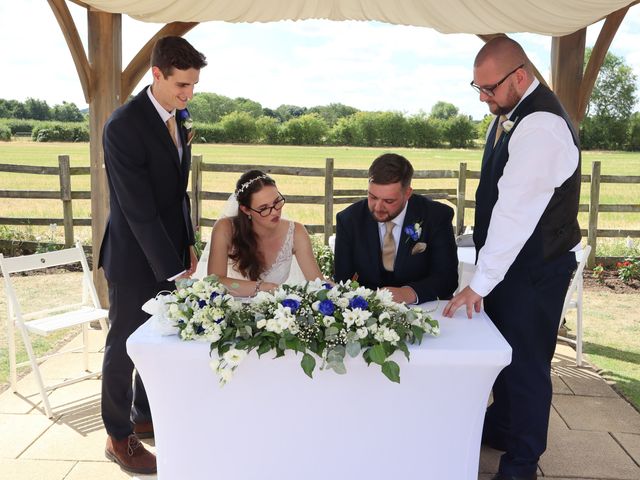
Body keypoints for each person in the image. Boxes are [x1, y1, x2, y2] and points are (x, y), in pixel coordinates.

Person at [443, 37, 581, 480]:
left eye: (489, 88)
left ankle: (521, 462)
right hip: (514, 267)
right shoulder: (509, 114)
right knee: (503, 355)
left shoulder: (541, 126)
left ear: (519, 76)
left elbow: (514, 213)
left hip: (535, 269)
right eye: (476, 87)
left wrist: (479, 283)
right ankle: (501, 427)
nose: (482, 97)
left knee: (525, 365)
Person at [98, 36, 207, 474]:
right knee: (124, 345)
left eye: (193, 85)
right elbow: (139, 209)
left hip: (168, 251)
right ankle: (117, 436)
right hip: (132, 256)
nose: (188, 95)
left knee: (159, 338)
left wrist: (188, 243)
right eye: (181, 85)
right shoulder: (123, 126)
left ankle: (143, 415)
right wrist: (174, 268)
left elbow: (176, 194)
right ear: (156, 74)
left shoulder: (179, 117)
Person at [334, 153, 458, 303]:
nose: (378, 207)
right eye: (372, 197)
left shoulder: (436, 216)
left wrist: (408, 294)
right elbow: (343, 280)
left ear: (407, 193)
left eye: (389, 200)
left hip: (425, 308)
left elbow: (447, 279)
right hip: (367, 310)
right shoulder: (348, 220)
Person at [207, 170, 324, 295]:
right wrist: (263, 287)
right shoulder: (225, 228)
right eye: (263, 208)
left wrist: (342, 293)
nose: (274, 212)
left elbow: (317, 283)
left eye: (277, 202)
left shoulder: (296, 232)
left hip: (276, 311)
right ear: (246, 210)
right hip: (232, 307)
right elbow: (214, 282)